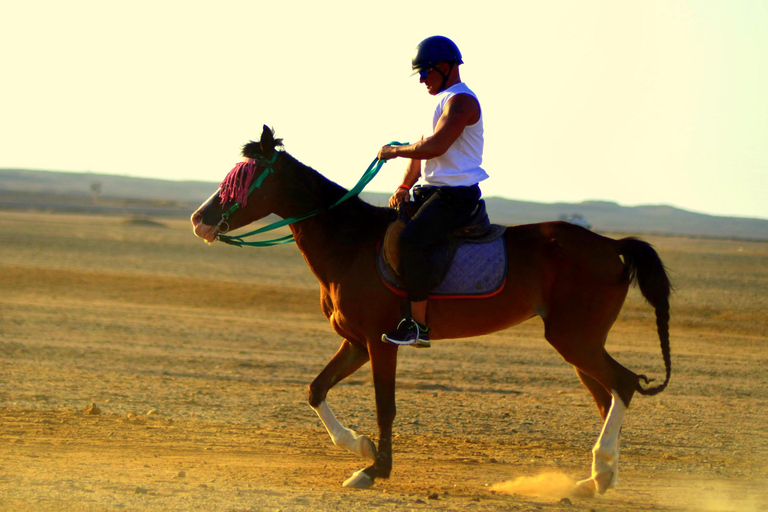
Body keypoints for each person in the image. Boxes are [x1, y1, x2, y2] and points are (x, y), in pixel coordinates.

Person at [378, 35, 488, 348]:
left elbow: (435, 146)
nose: (422, 80)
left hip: (456, 197)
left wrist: (396, 151)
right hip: (431, 193)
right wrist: (403, 185)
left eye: (425, 72)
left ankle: (418, 327)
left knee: (412, 241)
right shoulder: (438, 103)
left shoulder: (462, 102)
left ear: (444, 67)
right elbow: (422, 153)